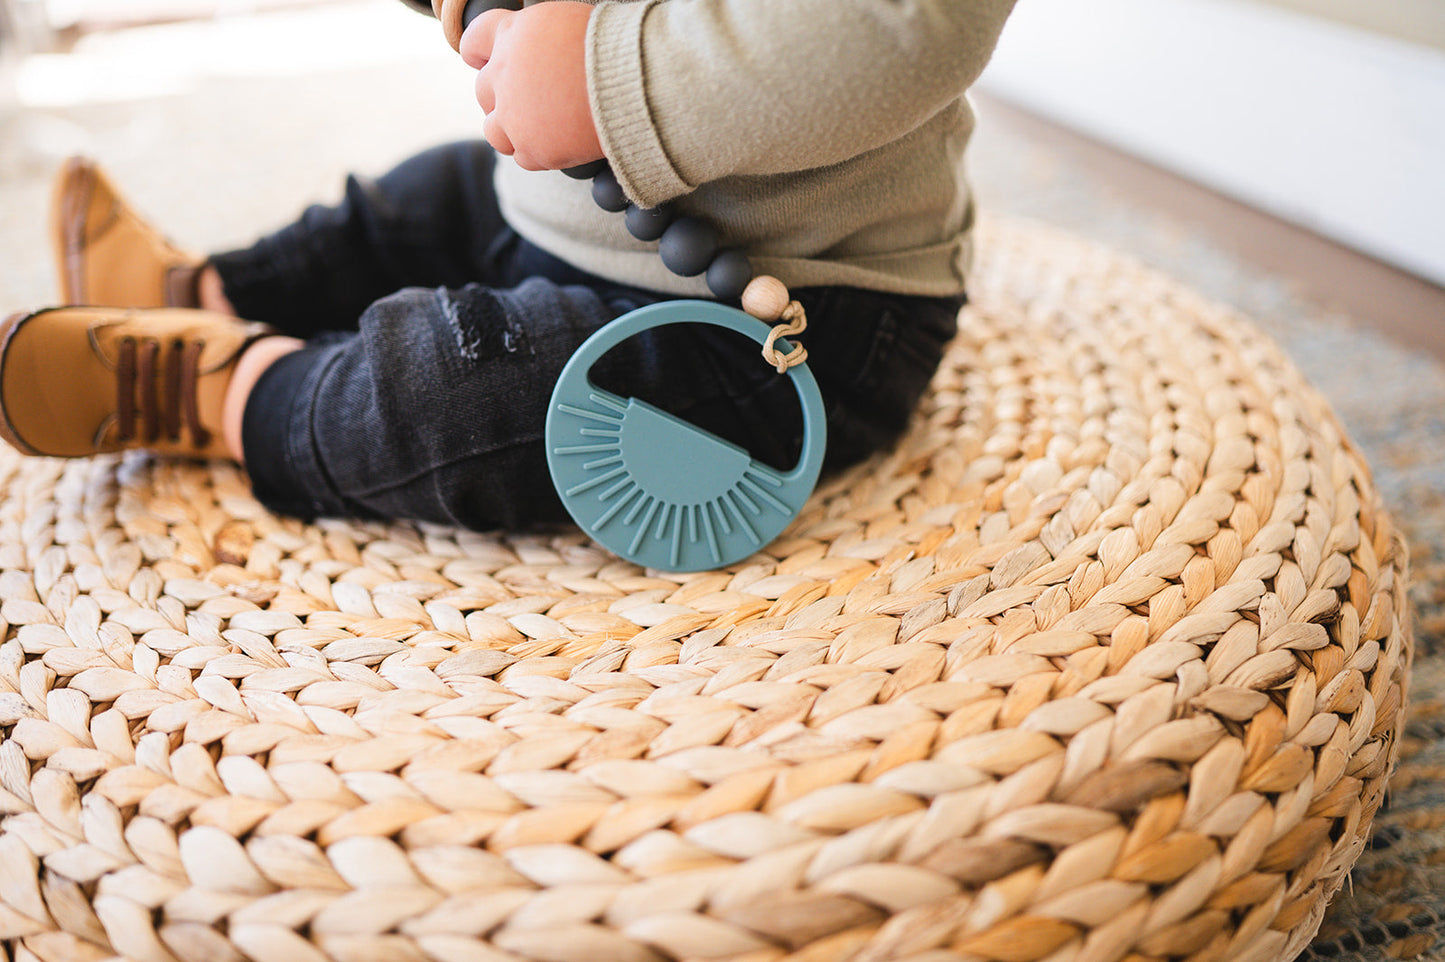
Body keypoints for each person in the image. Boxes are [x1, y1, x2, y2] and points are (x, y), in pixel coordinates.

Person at [0, 0, 1017, 536]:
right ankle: (208, 292)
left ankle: (231, 391)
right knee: (421, 200)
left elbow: (909, 21)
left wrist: (617, 80)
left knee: (456, 393)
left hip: (784, 314)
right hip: (565, 202)